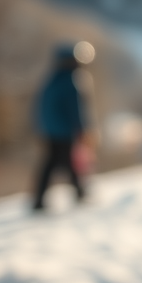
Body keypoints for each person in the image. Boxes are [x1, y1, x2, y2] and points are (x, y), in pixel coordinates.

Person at [33, 43, 90, 211]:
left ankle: (40, 198)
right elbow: (76, 108)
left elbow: (40, 107)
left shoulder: (50, 79)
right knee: (67, 162)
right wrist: (82, 128)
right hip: (64, 131)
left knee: (51, 163)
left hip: (49, 131)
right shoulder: (71, 80)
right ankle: (79, 193)